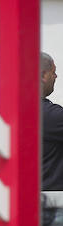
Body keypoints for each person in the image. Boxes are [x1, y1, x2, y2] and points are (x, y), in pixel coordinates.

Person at [43, 52, 63, 192]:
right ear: (43, 75)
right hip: (49, 204)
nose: (55, 76)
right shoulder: (51, 116)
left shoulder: (9, 109)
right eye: (53, 72)